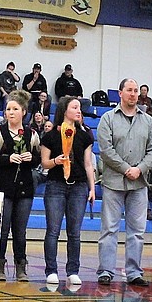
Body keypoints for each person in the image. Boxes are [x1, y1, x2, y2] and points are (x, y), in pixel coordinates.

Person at [95, 79, 152, 286]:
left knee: (137, 231)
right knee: (109, 229)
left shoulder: (148, 121)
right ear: (120, 93)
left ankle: (134, 272)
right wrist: (125, 169)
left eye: (136, 91)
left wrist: (139, 169)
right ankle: (105, 271)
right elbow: (106, 150)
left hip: (139, 183)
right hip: (113, 182)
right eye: (129, 90)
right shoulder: (107, 118)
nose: (133, 94)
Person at [39, 96, 96, 285]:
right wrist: (56, 161)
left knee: (74, 232)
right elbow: (44, 162)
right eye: (75, 107)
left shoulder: (85, 135)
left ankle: (73, 270)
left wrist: (92, 188)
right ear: (65, 110)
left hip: (78, 186)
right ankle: (51, 270)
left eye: (79, 108)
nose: (79, 111)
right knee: (53, 230)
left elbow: (88, 164)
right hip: (56, 185)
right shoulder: (50, 136)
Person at [0, 90, 40, 281]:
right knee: (2, 228)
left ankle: (21, 265)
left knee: (20, 230)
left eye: (15, 109)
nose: (11, 112)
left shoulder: (32, 134)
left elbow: (38, 158)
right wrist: (7, 159)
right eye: (8, 109)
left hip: (25, 187)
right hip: (2, 186)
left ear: (24, 111)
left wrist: (32, 158)